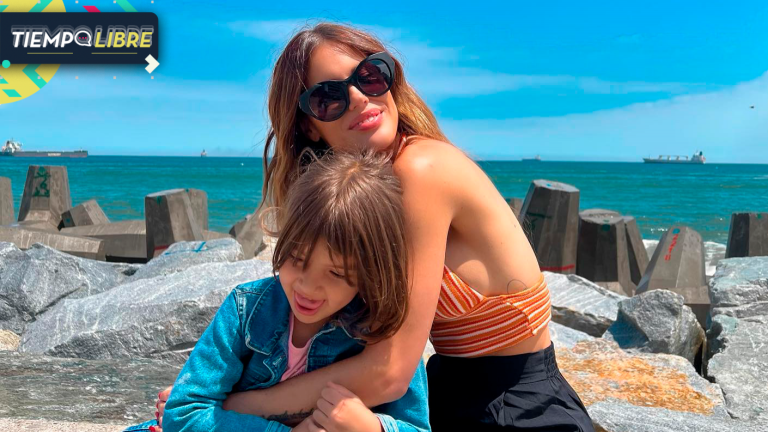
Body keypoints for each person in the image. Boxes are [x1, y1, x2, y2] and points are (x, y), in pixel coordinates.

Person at [157, 22, 594, 431]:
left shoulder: (420, 169)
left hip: (519, 406)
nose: (359, 98)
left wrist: (222, 410)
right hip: (447, 395)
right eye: (328, 97)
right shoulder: (358, 197)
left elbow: (388, 373)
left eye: (369, 76)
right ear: (309, 124)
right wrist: (207, 388)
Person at [125, 150, 429, 432]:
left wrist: (372, 427)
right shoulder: (246, 311)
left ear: (370, 272)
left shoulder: (382, 331)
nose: (307, 287)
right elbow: (183, 411)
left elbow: (416, 427)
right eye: (296, 259)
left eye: (336, 273)